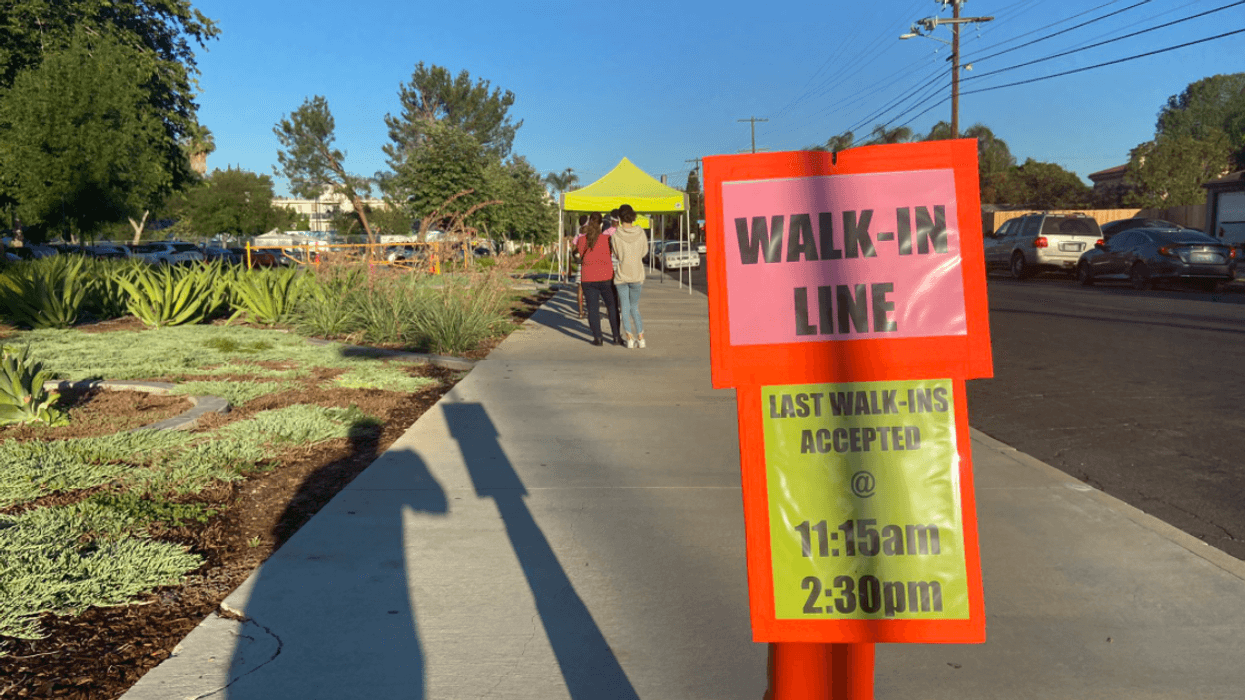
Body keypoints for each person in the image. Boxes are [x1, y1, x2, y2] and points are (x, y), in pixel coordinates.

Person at [576, 212, 623, 346]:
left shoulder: (582, 239)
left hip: (588, 278)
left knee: (593, 309)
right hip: (606, 277)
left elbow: (579, 255)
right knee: (612, 307)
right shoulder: (606, 239)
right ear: (601, 224)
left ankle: (598, 338)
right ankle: (616, 337)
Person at [611, 204, 649, 348]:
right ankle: (641, 337)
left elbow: (616, 254)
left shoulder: (616, 235)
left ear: (620, 218)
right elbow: (644, 252)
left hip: (622, 274)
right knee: (635, 307)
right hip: (637, 273)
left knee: (625, 308)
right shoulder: (641, 232)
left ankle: (629, 338)